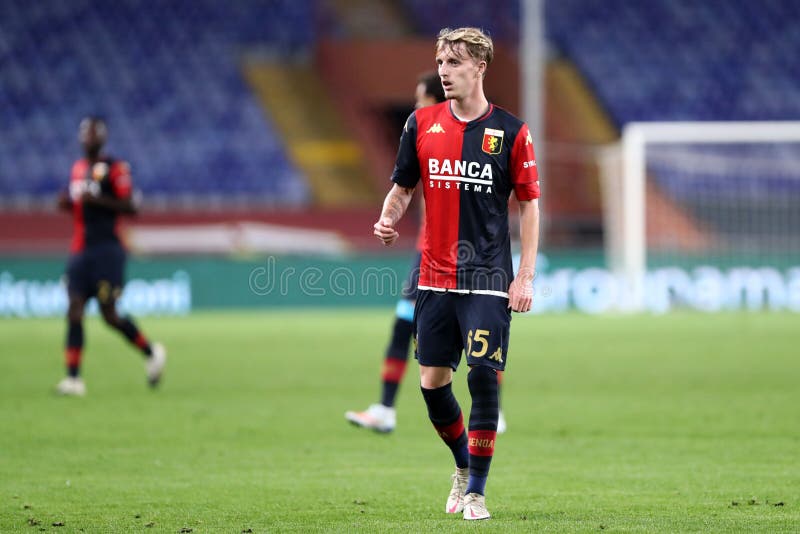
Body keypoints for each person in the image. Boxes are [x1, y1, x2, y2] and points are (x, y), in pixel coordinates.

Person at [372, 28, 540, 520]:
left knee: (485, 377)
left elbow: (530, 206)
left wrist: (524, 277)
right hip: (433, 278)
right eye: (441, 61)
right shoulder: (420, 123)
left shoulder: (511, 131)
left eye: (455, 62)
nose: (444, 70)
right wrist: (389, 217)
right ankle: (462, 466)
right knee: (432, 385)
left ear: (480, 67)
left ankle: (477, 493)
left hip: (488, 277)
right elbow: (404, 186)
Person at [346, 72, 508, 434]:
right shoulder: (422, 133)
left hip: (469, 259)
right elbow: (402, 187)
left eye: (421, 99)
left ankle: (491, 411)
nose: (417, 106)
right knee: (404, 325)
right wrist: (388, 218)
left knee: (479, 336)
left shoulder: (475, 136)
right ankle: (386, 408)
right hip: (426, 256)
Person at [55, 117, 166, 396]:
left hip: (107, 251)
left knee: (110, 315)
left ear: (103, 138)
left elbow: (131, 206)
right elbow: (81, 207)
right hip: (81, 250)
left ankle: (152, 352)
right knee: (74, 308)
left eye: (93, 132)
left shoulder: (115, 169)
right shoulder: (78, 169)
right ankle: (73, 379)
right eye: (84, 132)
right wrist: (68, 204)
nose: (87, 137)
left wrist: (98, 201)